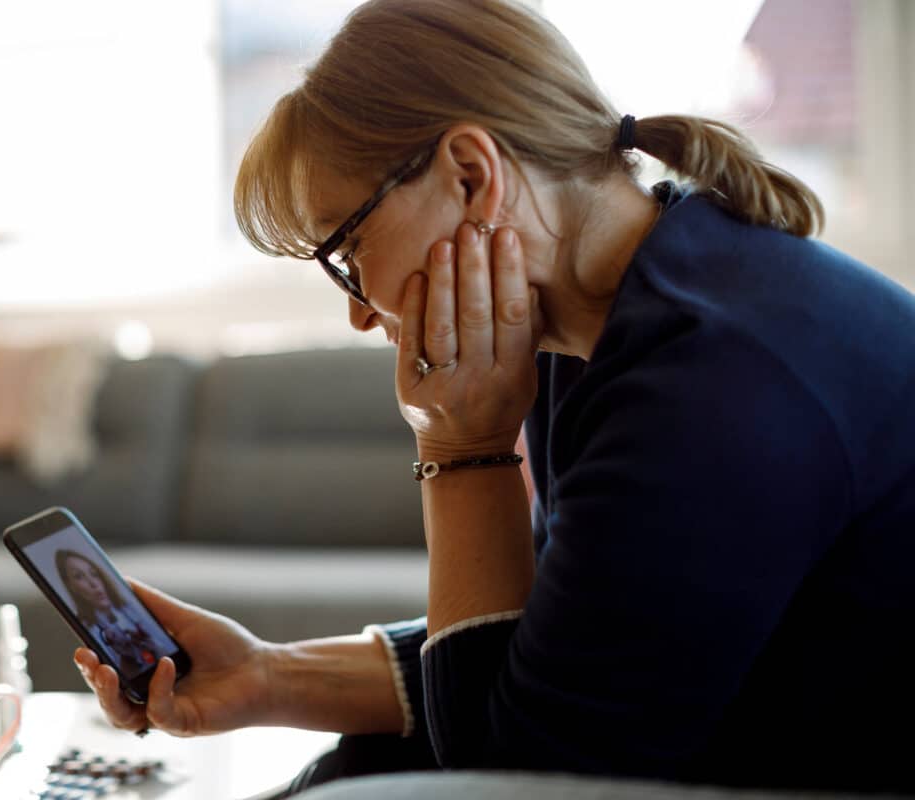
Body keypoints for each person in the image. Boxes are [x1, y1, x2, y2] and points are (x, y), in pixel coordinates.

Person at [74, 0, 915, 793]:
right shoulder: (602, 330)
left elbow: (512, 778)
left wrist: (460, 449)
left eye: (347, 248)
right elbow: (558, 653)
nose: (362, 313)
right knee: (356, 769)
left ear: (473, 176)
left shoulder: (709, 379)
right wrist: (269, 675)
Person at [55, 549, 165, 678]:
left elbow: (164, 652)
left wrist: (156, 649)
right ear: (71, 587)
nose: (93, 583)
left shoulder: (130, 609)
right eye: (79, 576)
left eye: (94, 574)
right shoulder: (90, 630)